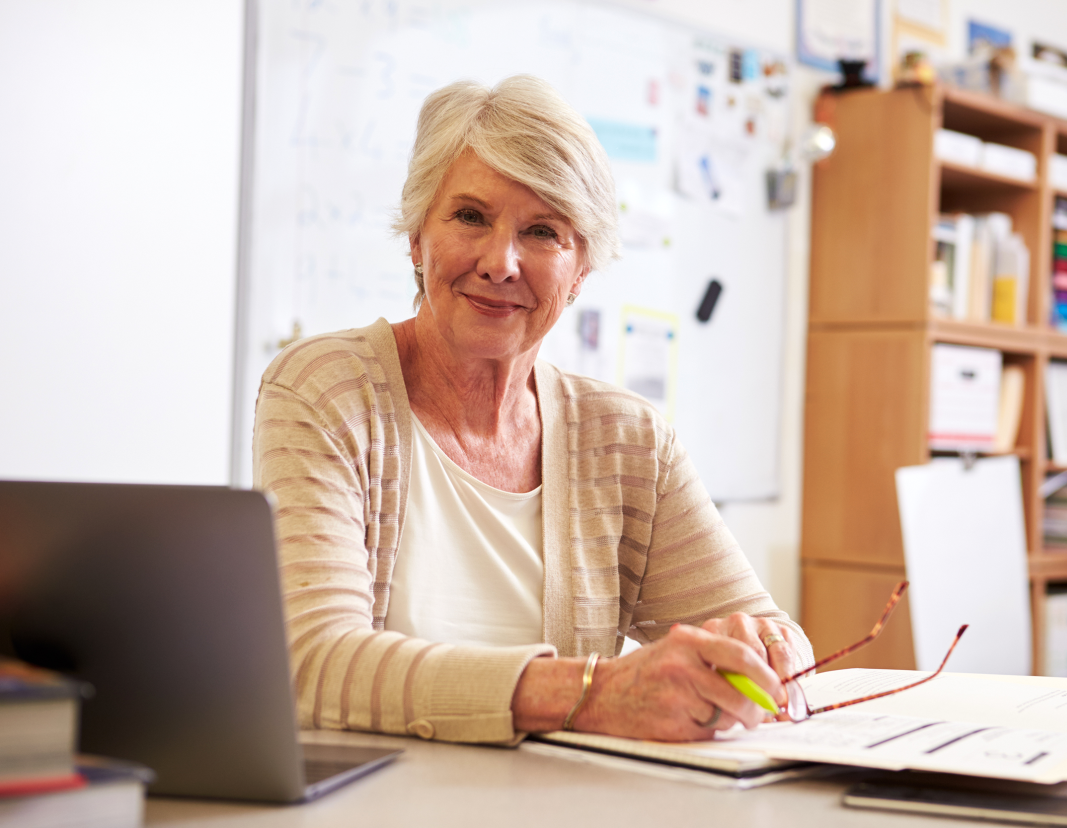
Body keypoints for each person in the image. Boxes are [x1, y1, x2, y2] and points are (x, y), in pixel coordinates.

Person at [253, 75, 813, 746]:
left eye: (543, 231)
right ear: (416, 238)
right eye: (469, 217)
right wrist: (592, 693)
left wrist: (764, 649)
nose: (501, 262)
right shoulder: (325, 389)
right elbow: (315, 664)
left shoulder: (628, 442)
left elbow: (774, 633)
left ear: (580, 274)